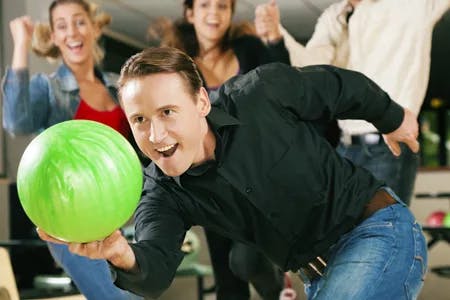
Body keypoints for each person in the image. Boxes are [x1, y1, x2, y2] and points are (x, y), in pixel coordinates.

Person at [39, 47, 426, 300]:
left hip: (377, 231)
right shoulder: (161, 190)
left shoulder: (261, 94)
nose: (155, 136)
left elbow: (338, 87)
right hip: (318, 276)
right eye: (139, 119)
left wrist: (392, 118)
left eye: (167, 112)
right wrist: (121, 253)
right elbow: (155, 266)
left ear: (201, 102)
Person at [148, 0, 290, 298]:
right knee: (227, 276)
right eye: (205, 5)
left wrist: (275, 39)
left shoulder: (249, 49)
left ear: (230, 13)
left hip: (257, 175)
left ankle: (275, 291)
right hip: (208, 181)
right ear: (190, 13)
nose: (214, 12)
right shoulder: (176, 67)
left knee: (247, 259)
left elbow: (282, 80)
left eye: (223, 5)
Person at [1, 1, 142, 299]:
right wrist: (21, 46)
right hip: (74, 223)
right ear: (53, 36)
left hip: (123, 215)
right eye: (61, 26)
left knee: (140, 292)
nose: (72, 32)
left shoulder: (119, 86)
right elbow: (15, 122)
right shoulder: (47, 89)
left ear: (94, 27)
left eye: (79, 22)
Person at [254, 0, 450, 204]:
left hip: (388, 147)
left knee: (384, 229)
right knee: (337, 230)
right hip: (346, 146)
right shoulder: (335, 15)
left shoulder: (411, 5)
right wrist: (277, 34)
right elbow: (312, 66)